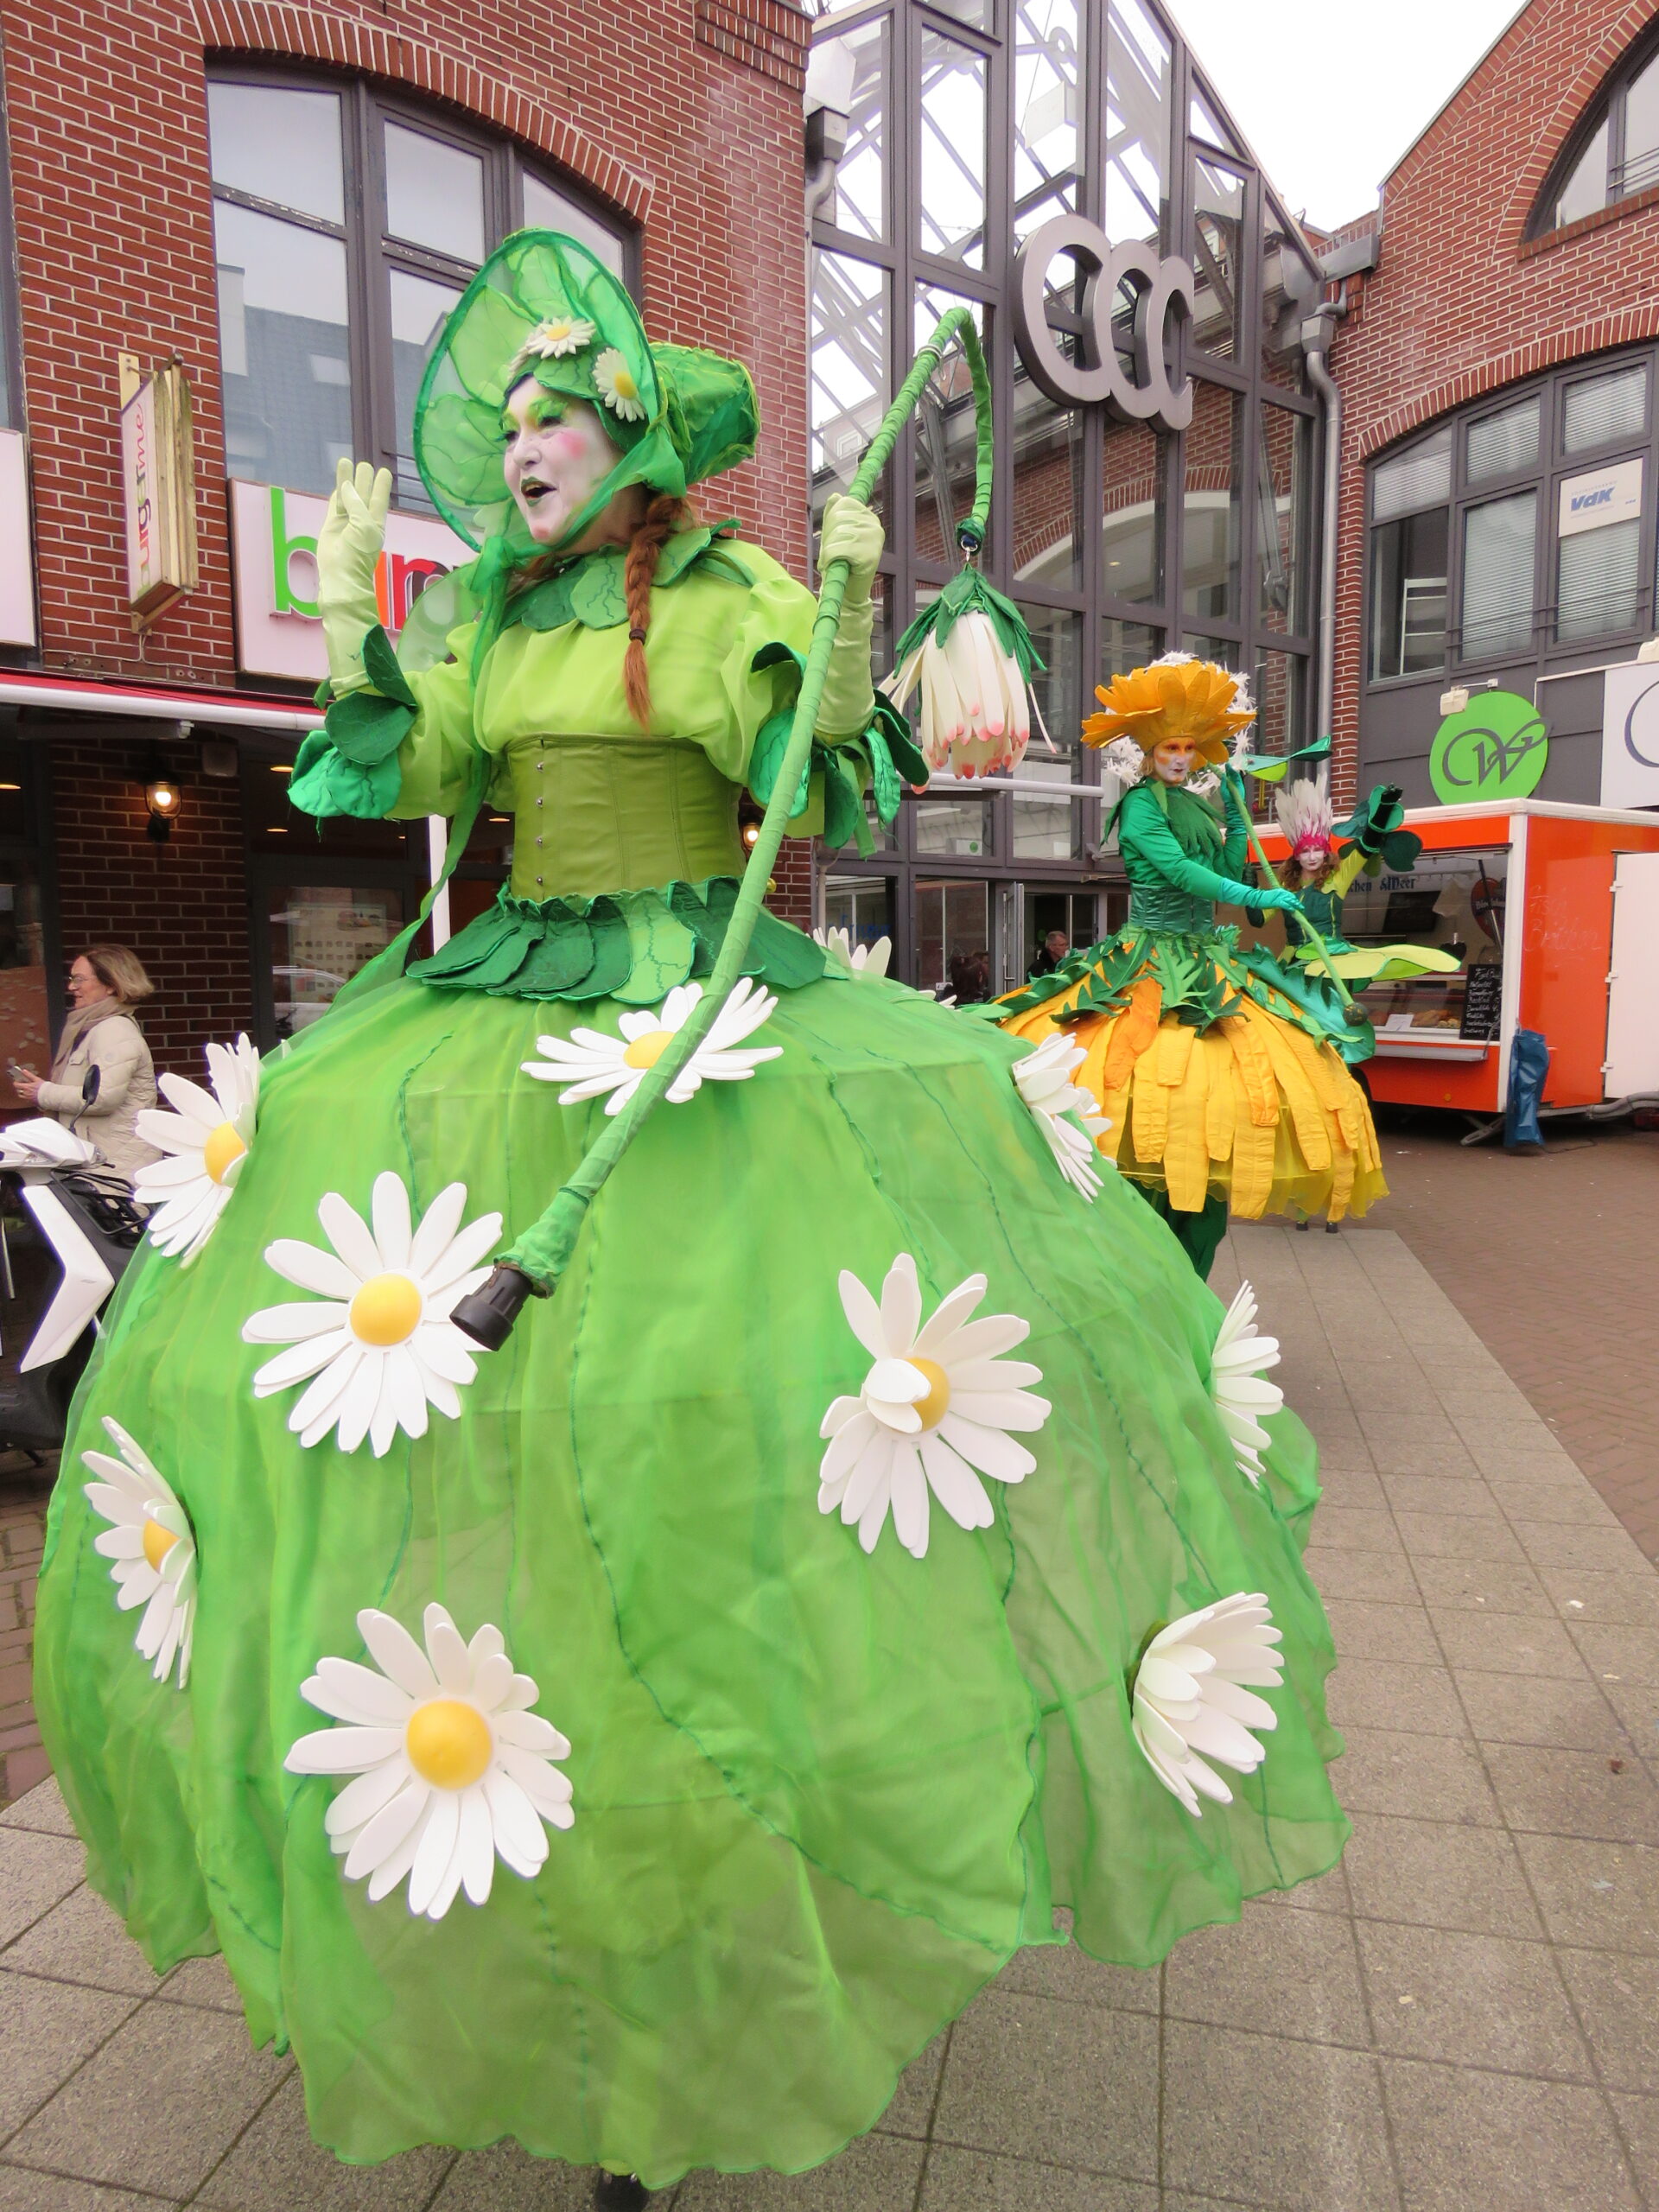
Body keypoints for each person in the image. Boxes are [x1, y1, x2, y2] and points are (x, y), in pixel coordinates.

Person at [35, 237, 1347, 2202]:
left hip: (705, 1024)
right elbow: (407, 768)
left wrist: (818, 645)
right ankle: (519, 1754)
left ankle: (745, 1751)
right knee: (451, 1375)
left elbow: (792, 775)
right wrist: (351, 623)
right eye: (511, 426)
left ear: (637, 445)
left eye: (555, 421)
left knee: (749, 1374)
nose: (521, 450)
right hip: (508, 1019)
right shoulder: (494, 611)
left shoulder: (720, 596)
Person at [1000, 657, 1387, 1280]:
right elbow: (1181, 874)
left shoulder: (1198, 804)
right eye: (1170, 746)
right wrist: (1262, 899)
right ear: (1150, 751)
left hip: (1208, 959)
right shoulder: (1141, 809)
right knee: (1146, 1080)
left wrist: (1236, 812)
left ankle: (1188, 1255)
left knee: (1225, 1083)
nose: (1180, 757)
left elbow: (1229, 868)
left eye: (1189, 747)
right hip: (1148, 961)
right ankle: (1139, 1241)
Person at [10, 944, 162, 1185]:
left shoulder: (114, 1030)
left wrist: (42, 1092)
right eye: (72, 979)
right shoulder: (95, 1028)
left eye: (79, 979)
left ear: (112, 984)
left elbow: (102, 1097)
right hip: (101, 1161)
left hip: (115, 1167)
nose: (71, 987)